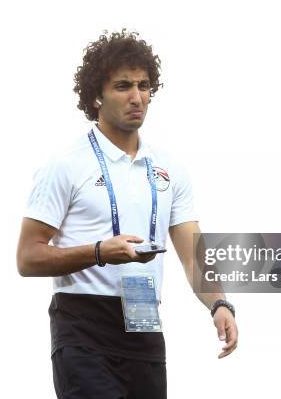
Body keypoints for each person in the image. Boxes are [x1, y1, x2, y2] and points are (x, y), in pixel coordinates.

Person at [16, 30, 238, 399]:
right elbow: (27, 257)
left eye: (144, 85)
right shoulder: (67, 164)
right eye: (122, 86)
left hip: (145, 327)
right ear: (96, 97)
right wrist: (100, 252)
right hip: (82, 328)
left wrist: (219, 302)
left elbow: (192, 254)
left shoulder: (169, 168)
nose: (137, 97)